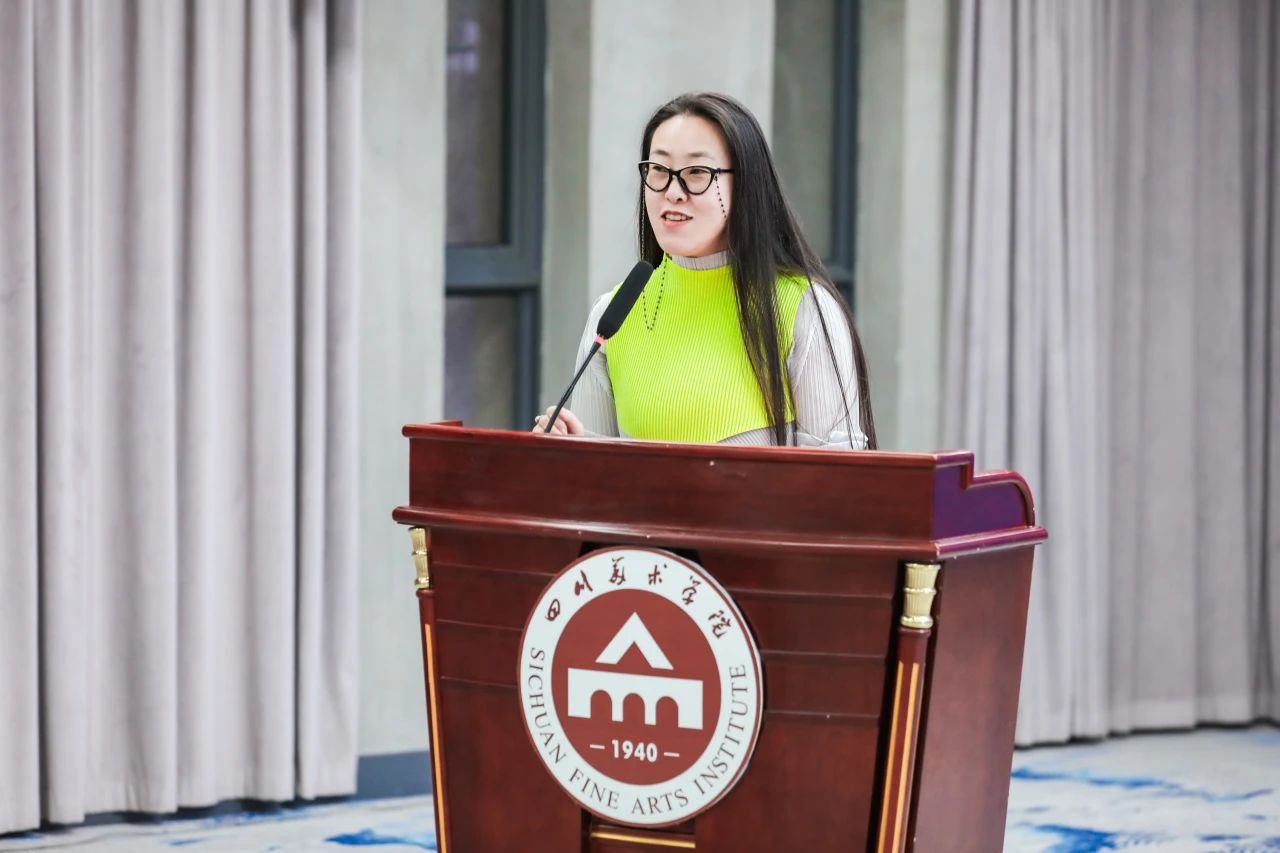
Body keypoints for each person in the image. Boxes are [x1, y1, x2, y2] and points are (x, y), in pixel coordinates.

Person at [533, 92, 877, 450]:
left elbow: (837, 476)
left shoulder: (803, 309)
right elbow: (591, 478)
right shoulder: (612, 316)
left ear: (745, 184)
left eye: (697, 172)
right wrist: (562, 452)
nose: (673, 192)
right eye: (659, 170)